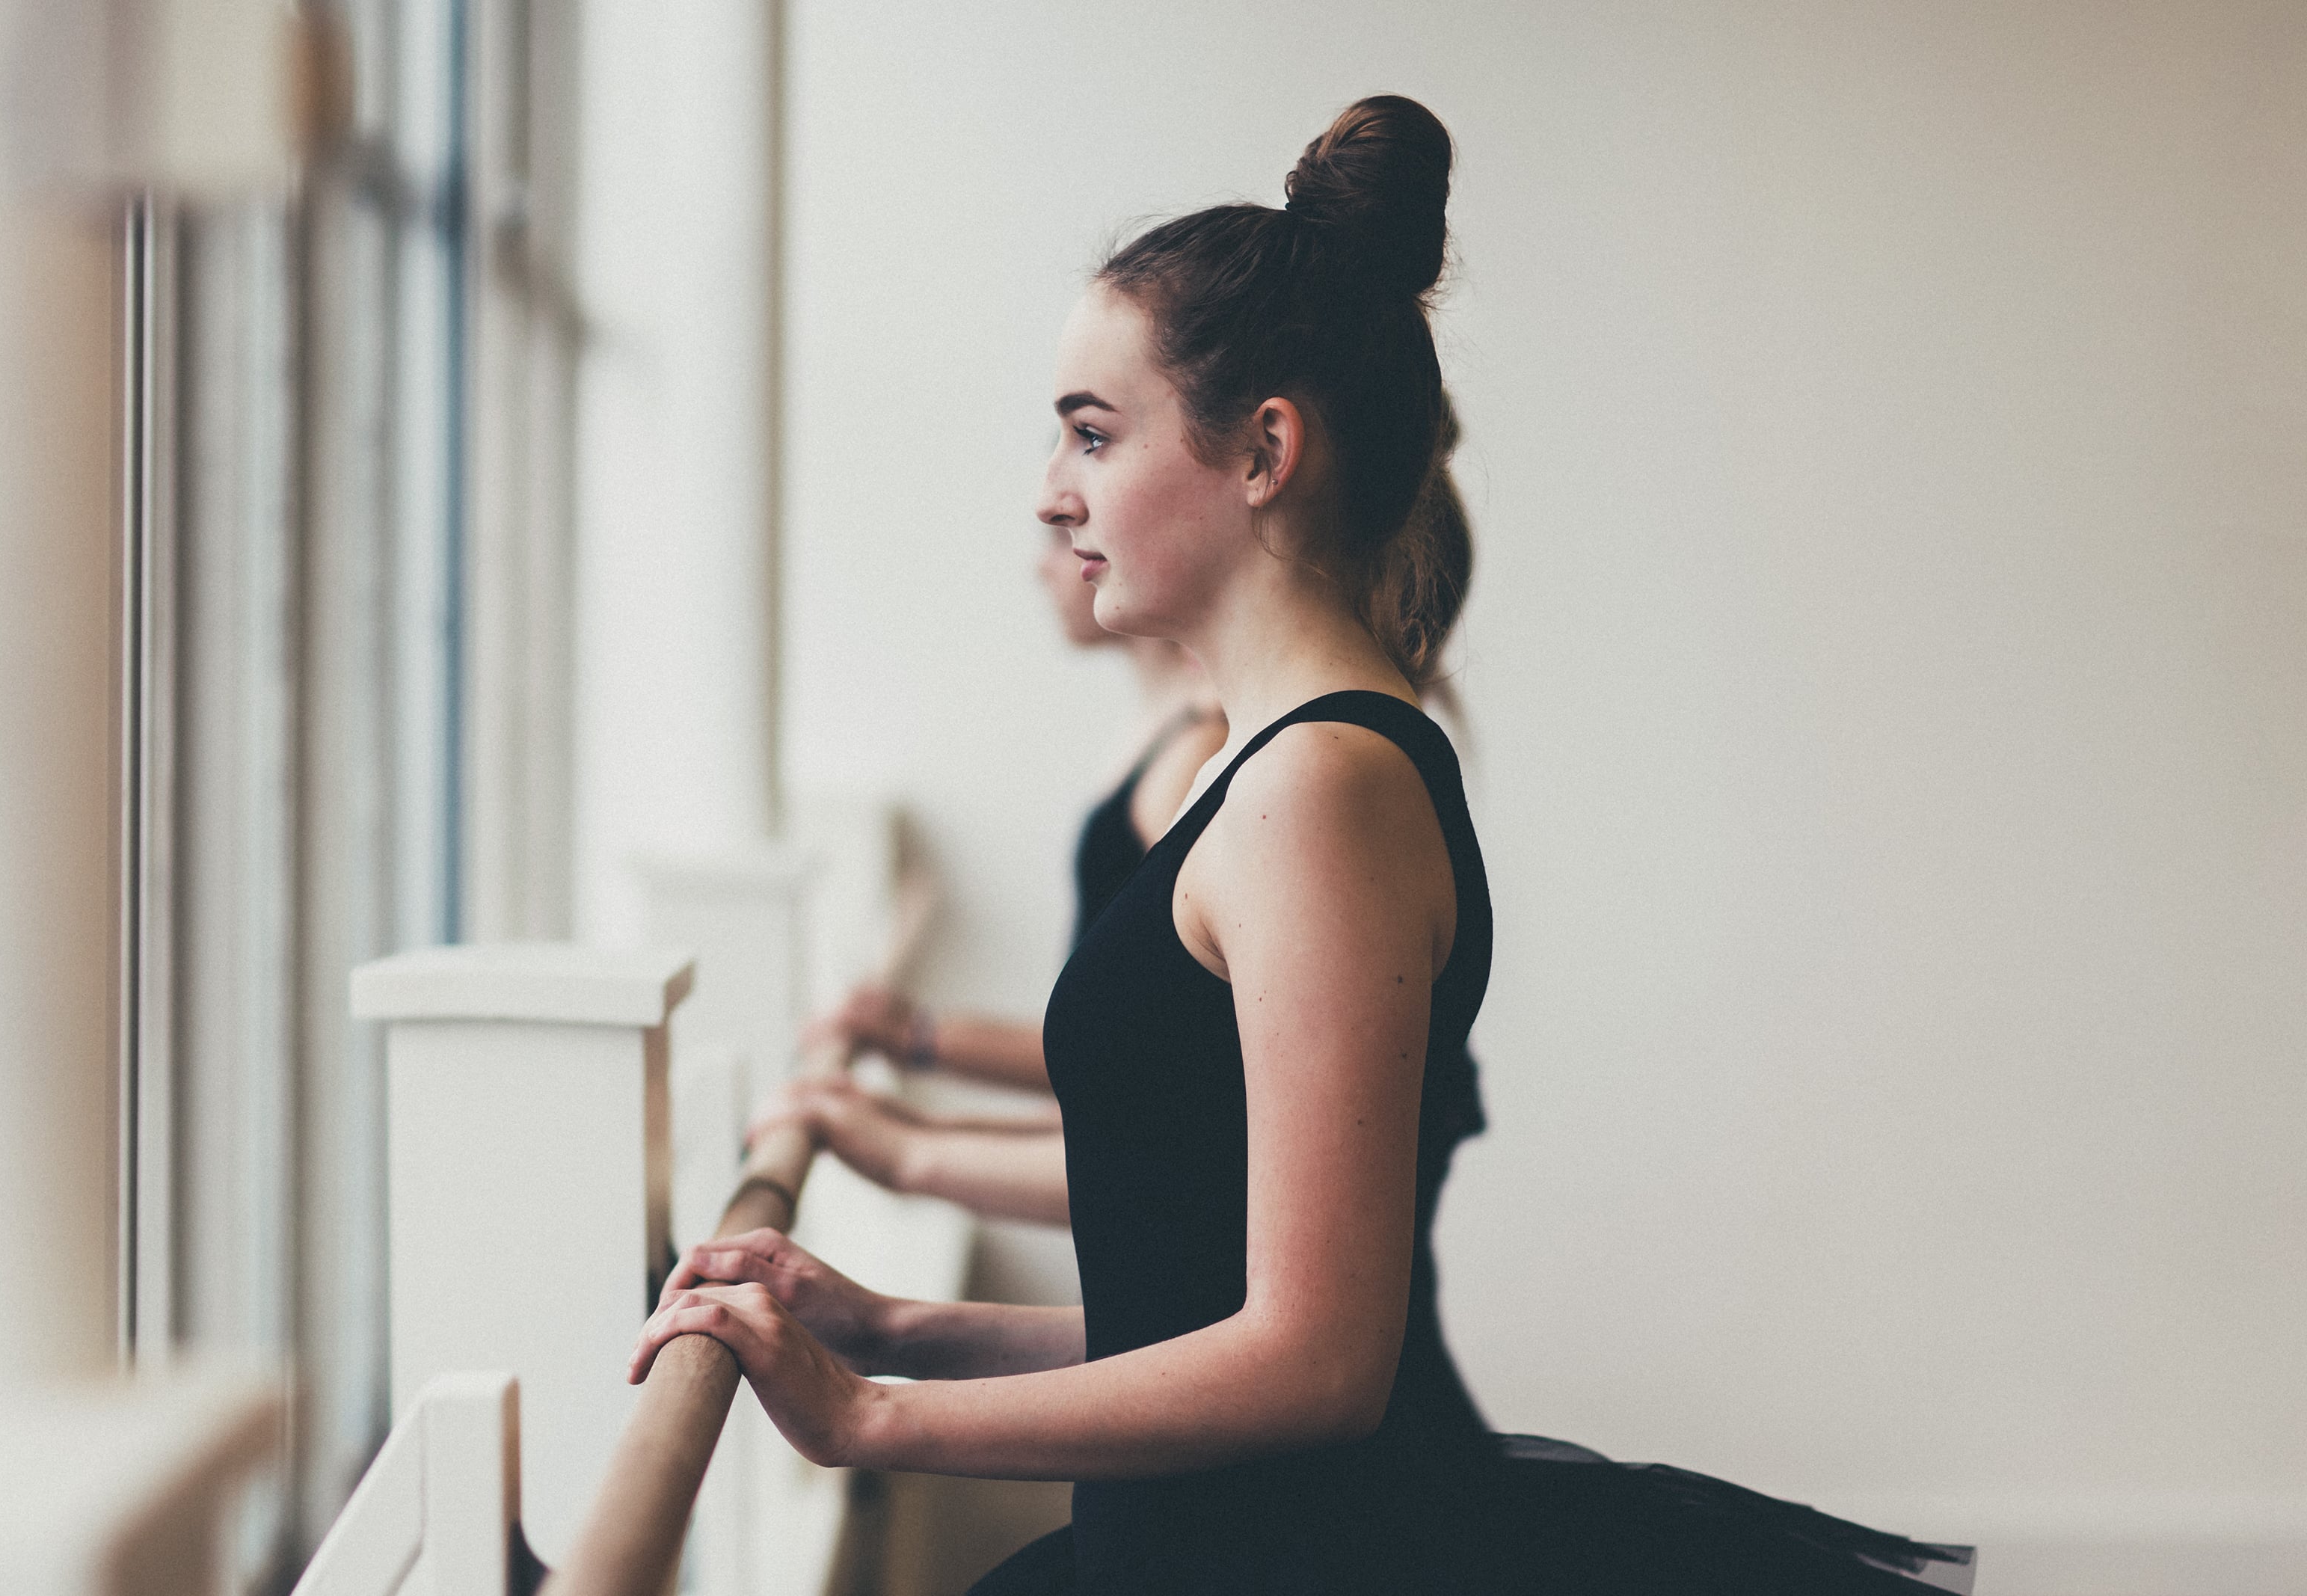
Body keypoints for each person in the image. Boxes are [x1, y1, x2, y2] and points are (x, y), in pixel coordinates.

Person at [636, 96, 1975, 1594]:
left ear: (1264, 448)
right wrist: (885, 1324)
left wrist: (879, 1414)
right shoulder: (1288, 776)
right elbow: (1199, 1309)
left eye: (1093, 431)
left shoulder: (1320, 790)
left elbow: (1319, 1358)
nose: (1049, 489)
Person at [766, 526, 1229, 1227]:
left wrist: (913, 1139)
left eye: (1061, 537)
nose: (1042, 567)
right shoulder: (1164, 736)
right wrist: (916, 1080)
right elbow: (1118, 1068)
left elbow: (1180, 1099)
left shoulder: (1193, 758)